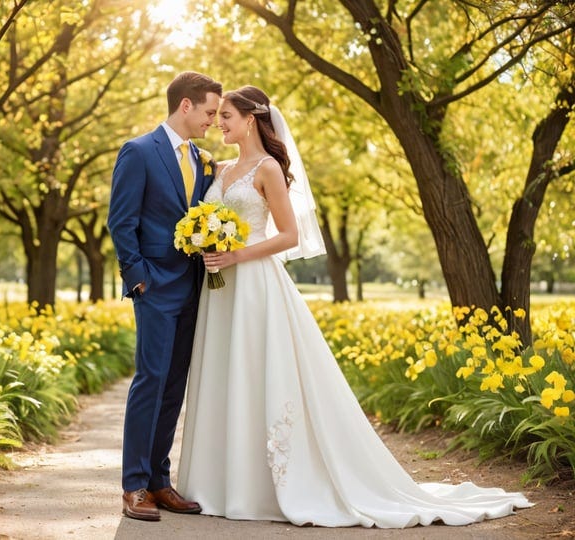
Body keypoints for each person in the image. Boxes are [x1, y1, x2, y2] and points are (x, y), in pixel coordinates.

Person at [176, 85, 532, 528]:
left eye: (226, 116)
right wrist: (206, 244)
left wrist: (236, 254)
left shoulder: (267, 169)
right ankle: (217, 483)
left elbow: (289, 236)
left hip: (253, 284)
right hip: (220, 288)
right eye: (218, 116)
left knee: (256, 371)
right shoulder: (220, 167)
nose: (220, 123)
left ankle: (259, 487)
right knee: (223, 372)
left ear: (250, 119)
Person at [108, 71, 222, 522]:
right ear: (187, 106)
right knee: (150, 381)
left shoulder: (202, 158)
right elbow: (122, 221)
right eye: (210, 112)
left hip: (194, 288)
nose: (213, 121)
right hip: (154, 287)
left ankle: (159, 480)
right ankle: (134, 485)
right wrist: (138, 278)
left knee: (175, 386)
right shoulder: (138, 151)